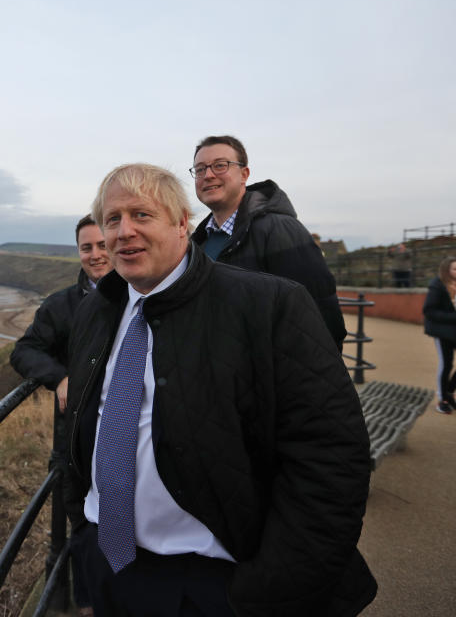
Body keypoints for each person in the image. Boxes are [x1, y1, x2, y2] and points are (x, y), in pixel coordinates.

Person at [65, 163, 376, 616]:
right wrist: (83, 534)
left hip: (212, 583)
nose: (123, 231)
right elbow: (85, 424)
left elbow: (330, 458)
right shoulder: (99, 310)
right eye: (112, 219)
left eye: (142, 215)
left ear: (181, 224)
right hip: (109, 564)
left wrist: (265, 592)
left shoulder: (268, 305)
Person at [11, 214, 110, 616]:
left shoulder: (143, 295)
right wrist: (60, 377)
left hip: (131, 434)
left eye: (103, 245)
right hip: (76, 442)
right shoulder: (61, 306)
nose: (96, 254)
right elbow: (24, 350)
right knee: (83, 526)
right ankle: (87, 605)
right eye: (87, 247)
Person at [189, 135, 347, 350]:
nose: (208, 175)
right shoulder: (197, 242)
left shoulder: (281, 230)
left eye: (220, 165)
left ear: (244, 174)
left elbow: (320, 318)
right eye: (199, 169)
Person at [423, 256, 456, 414]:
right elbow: (429, 311)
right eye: (455, 269)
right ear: (446, 270)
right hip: (442, 331)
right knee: (447, 364)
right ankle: (442, 399)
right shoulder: (437, 285)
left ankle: (449, 391)